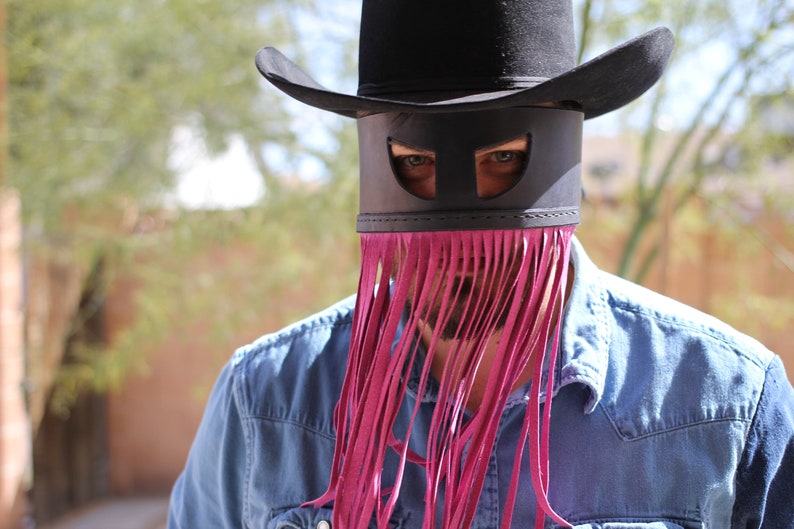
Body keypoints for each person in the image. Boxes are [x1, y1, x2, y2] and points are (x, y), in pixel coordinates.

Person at [168, 0, 794, 528]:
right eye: (415, 162)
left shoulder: (725, 403)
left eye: (502, 159)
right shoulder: (266, 403)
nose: (460, 232)